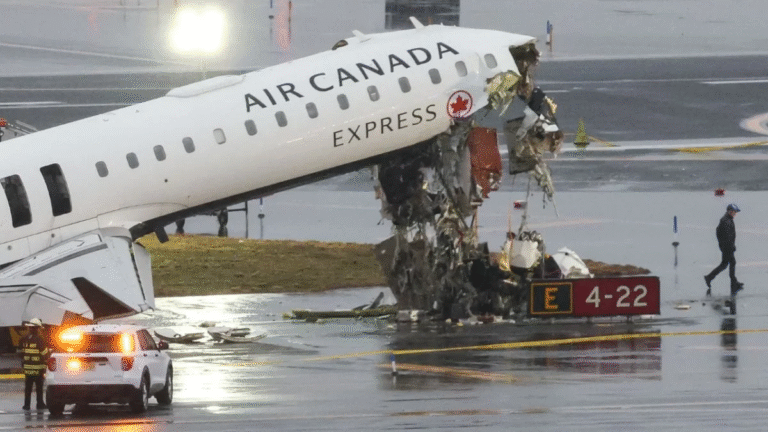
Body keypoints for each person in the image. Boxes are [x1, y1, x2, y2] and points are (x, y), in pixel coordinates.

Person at [704, 203, 743, 296]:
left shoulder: (727, 220)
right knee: (729, 263)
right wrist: (729, 246)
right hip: (727, 247)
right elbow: (727, 236)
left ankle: (710, 277)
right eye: (734, 212)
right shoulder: (726, 221)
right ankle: (733, 283)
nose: (735, 214)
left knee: (726, 264)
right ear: (730, 211)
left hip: (726, 247)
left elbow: (720, 233)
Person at [20, 318, 49, 411]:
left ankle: (26, 405)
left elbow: (21, 353)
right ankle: (40, 404)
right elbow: (45, 353)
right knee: (39, 388)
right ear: (37, 328)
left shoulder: (24, 338)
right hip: (38, 369)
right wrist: (50, 352)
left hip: (28, 368)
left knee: (28, 388)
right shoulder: (39, 339)